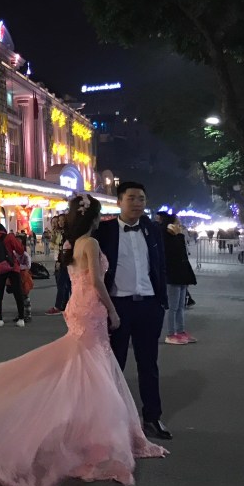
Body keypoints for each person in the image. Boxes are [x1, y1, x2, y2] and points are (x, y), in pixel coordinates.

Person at [0, 194, 167, 486]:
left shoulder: (72, 244)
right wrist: (113, 310)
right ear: (92, 218)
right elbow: (97, 282)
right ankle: (94, 434)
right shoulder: (89, 244)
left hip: (77, 308)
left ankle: (88, 429)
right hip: (91, 308)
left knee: (87, 366)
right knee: (95, 366)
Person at [94, 181, 172, 440]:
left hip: (149, 305)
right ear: (119, 201)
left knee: (148, 364)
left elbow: (159, 266)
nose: (138, 203)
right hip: (118, 307)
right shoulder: (104, 231)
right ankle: (111, 421)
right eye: (132, 198)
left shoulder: (152, 229)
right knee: (114, 365)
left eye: (141, 198)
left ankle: (152, 417)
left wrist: (161, 301)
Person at [156, 212, 197, 346]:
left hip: (181, 274)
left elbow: (183, 255)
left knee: (181, 306)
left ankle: (180, 331)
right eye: (177, 221)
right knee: (173, 307)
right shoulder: (165, 236)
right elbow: (171, 254)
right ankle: (170, 334)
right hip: (172, 275)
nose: (179, 223)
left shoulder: (178, 236)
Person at [0, 223, 27, 327]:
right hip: (11, 266)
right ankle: (21, 319)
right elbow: (20, 250)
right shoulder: (9, 236)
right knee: (18, 292)